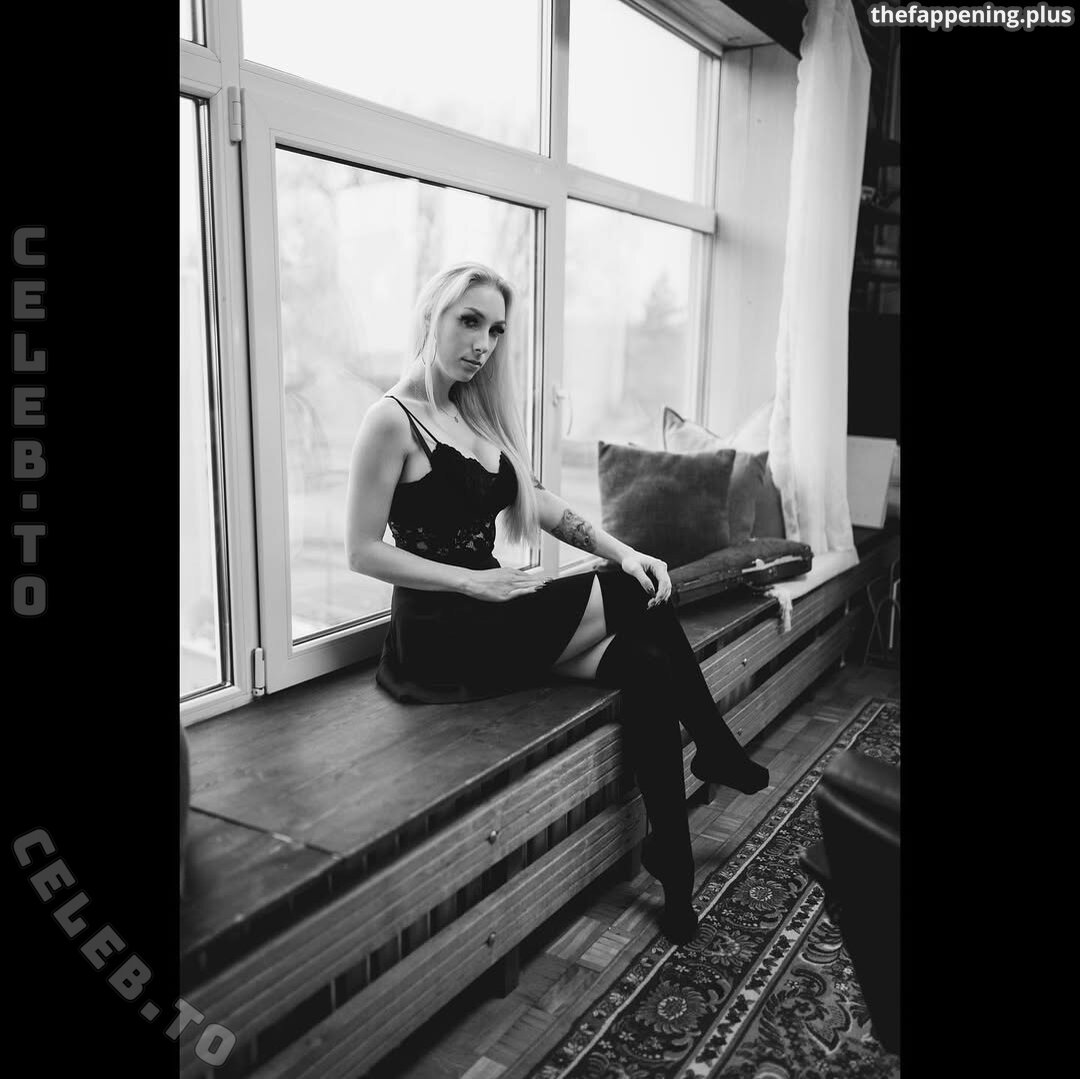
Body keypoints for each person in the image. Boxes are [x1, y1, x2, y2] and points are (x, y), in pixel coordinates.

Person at [345, 262, 768, 943]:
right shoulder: (390, 420)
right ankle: (715, 747)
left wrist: (622, 550)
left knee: (648, 658)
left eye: (495, 329)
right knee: (636, 596)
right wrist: (469, 581)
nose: (482, 343)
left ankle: (674, 860)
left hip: (498, 617)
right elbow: (363, 551)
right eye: (469, 321)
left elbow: (541, 504)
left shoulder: (472, 416)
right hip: (442, 635)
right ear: (432, 315)